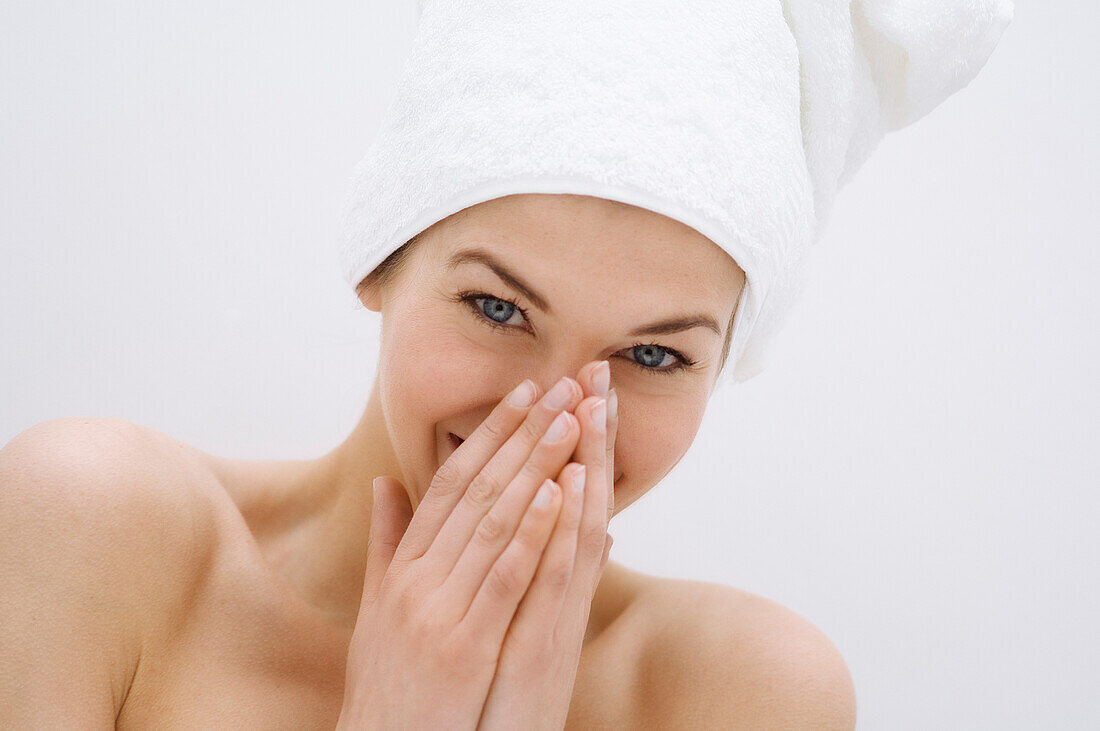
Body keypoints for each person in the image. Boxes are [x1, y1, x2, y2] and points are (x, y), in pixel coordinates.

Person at [2, 0, 1012, 727]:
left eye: (652, 352)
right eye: (497, 306)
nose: (560, 418)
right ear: (379, 259)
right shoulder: (96, 532)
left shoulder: (739, 692)